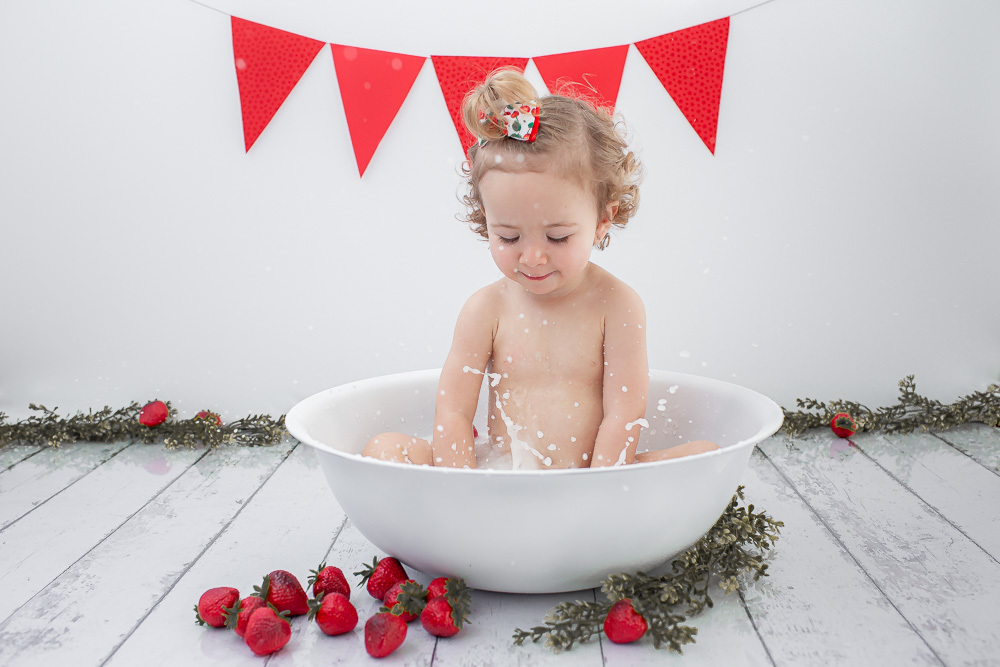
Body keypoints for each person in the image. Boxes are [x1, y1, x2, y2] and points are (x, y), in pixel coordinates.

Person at [363, 68, 718, 469]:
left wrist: (599, 488)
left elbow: (624, 414)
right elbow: (454, 413)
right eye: (509, 238)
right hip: (504, 470)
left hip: (594, 472)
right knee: (384, 448)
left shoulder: (616, 305)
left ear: (603, 217)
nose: (532, 257)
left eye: (558, 237)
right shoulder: (486, 309)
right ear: (485, 219)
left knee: (704, 456)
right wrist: (462, 485)